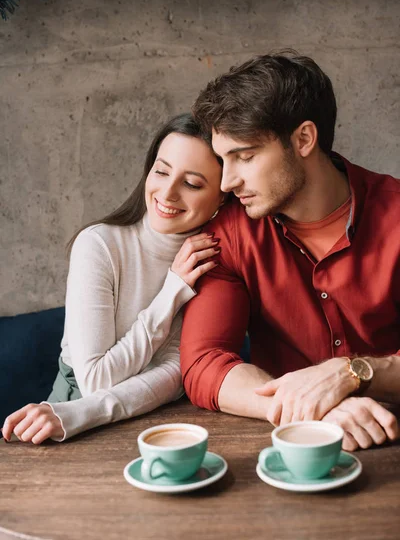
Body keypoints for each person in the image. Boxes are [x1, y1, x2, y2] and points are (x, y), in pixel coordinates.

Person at [180, 52, 400, 452]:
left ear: (303, 139)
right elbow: (204, 363)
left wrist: (351, 373)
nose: (227, 182)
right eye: (221, 160)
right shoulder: (228, 235)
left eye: (244, 157)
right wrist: (309, 406)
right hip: (290, 450)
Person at [2, 114, 224, 444]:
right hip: (71, 416)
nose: (168, 192)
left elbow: (177, 373)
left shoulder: (212, 260)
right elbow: (94, 381)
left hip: (159, 415)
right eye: (161, 171)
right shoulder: (99, 245)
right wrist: (172, 291)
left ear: (223, 196)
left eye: (191, 183)